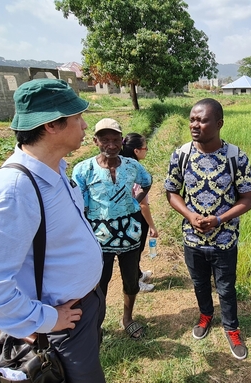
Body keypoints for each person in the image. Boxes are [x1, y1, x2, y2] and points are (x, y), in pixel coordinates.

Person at [0, 79, 106, 383]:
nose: (84, 124)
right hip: (59, 326)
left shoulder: (56, 169)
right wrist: (42, 320)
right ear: (52, 125)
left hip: (82, 308)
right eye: (77, 118)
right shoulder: (16, 189)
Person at [164, 98, 251, 360]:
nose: (195, 124)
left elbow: (247, 199)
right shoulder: (181, 154)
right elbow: (171, 192)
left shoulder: (236, 157)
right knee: (199, 282)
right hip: (192, 238)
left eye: (202, 120)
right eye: (192, 119)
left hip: (224, 239)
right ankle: (205, 315)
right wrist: (191, 215)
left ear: (219, 123)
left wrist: (219, 219)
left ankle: (231, 327)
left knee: (226, 287)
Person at [72, 118, 152, 340]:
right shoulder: (83, 170)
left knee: (130, 280)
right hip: (99, 238)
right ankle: (96, 324)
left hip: (129, 233)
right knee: (99, 284)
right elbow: (79, 204)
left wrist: (136, 201)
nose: (111, 144)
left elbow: (147, 181)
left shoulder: (132, 166)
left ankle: (128, 319)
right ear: (95, 140)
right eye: (105, 139)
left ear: (122, 140)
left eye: (115, 139)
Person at [119, 133, 158, 293]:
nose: (146, 151)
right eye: (145, 148)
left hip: (124, 216)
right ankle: (135, 282)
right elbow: (143, 205)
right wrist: (152, 226)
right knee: (135, 251)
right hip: (136, 218)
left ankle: (139, 274)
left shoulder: (121, 166)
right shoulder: (136, 171)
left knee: (134, 251)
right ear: (136, 151)